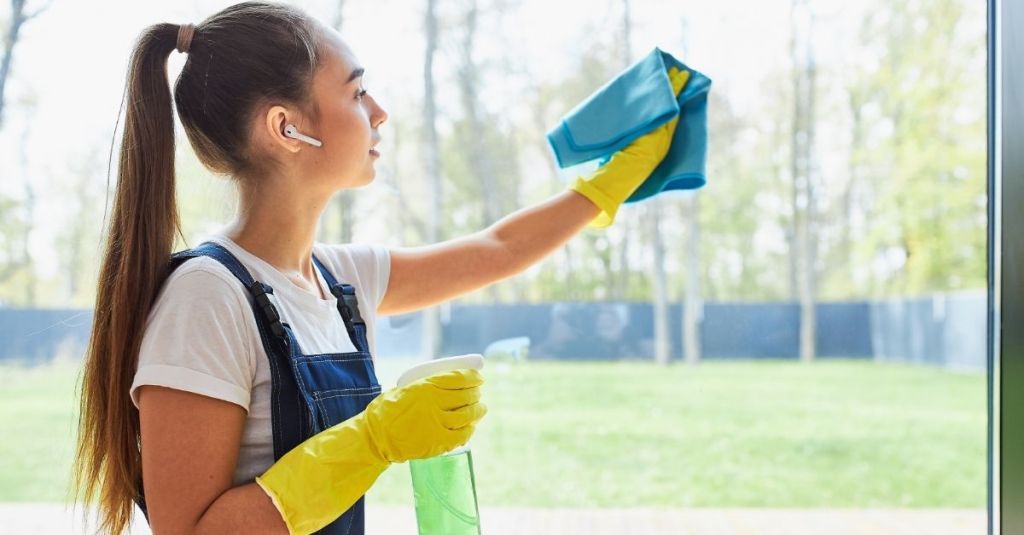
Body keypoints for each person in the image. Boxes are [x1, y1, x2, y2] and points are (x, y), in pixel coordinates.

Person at [70, 2, 687, 534]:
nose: (380, 111)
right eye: (356, 92)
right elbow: (191, 532)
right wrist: (373, 439)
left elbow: (498, 252)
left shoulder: (338, 283)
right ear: (287, 128)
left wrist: (609, 185)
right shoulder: (207, 299)